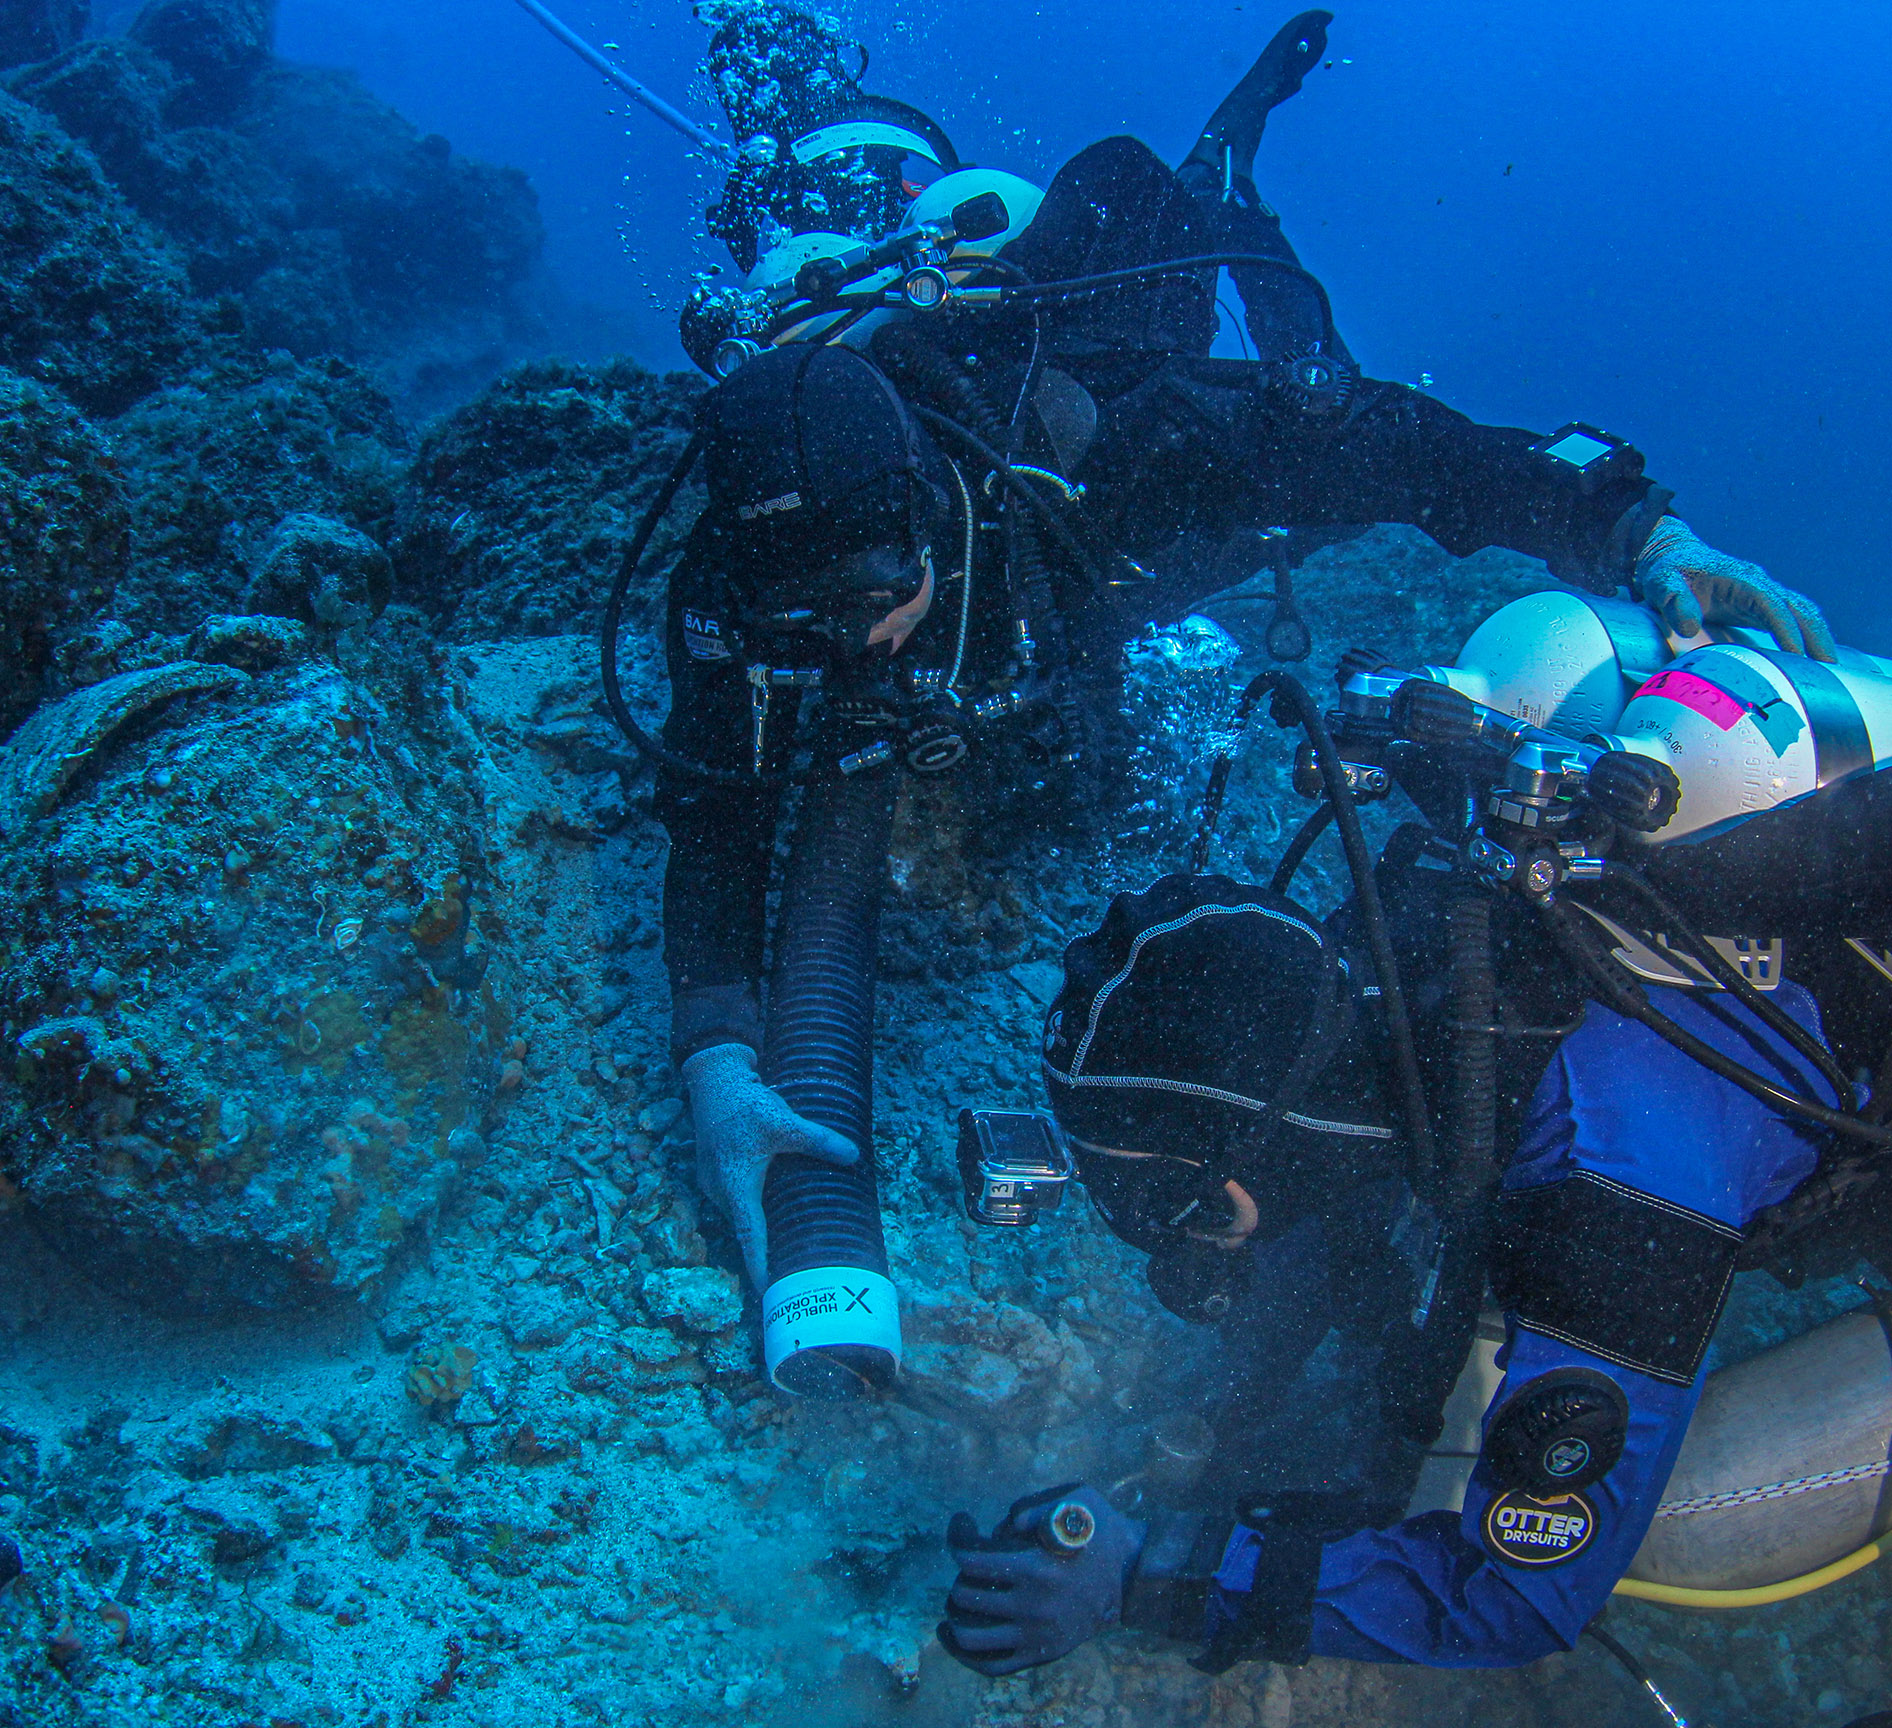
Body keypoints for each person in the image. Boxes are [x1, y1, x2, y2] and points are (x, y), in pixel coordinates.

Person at [647, 7, 1841, 1294]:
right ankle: (788, 127)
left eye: (873, 598)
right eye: (802, 624)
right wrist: (716, 1061)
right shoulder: (731, 571)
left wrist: (1642, 533)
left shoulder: (1119, 447)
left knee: (1313, 416)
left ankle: (1226, 178)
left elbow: (1405, 447)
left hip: (1092, 538)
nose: (851, 649)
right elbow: (711, 814)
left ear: (942, 516)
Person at [935, 850, 1848, 1673]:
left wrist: (1150, 1575)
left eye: (1177, 1207)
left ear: (1259, 1153)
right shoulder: (1390, 968)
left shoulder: (1612, 1205)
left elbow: (1514, 1602)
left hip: (1702, 1162)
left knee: (1648, 1532)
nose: (1181, 1245)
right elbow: (1318, 1183)